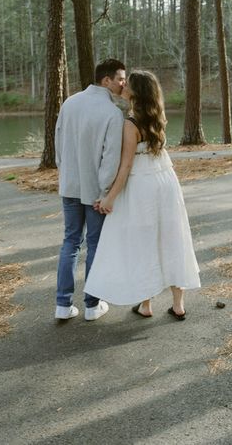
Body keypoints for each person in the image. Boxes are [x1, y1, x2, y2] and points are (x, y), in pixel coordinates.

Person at [85, 70, 200, 320]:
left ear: (135, 92)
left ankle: (146, 305)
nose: (123, 86)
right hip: (166, 179)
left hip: (142, 184)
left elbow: (126, 166)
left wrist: (109, 198)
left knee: (143, 240)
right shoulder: (158, 115)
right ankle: (178, 304)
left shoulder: (131, 122)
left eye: (128, 84)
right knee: (172, 237)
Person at [54, 58, 126, 321]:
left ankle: (62, 305)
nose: (123, 83)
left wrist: (65, 175)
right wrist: (105, 191)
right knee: (94, 243)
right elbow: (110, 158)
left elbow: (58, 144)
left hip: (70, 185)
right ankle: (92, 305)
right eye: (120, 78)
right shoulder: (111, 112)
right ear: (106, 80)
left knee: (71, 242)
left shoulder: (69, 103)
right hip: (95, 191)